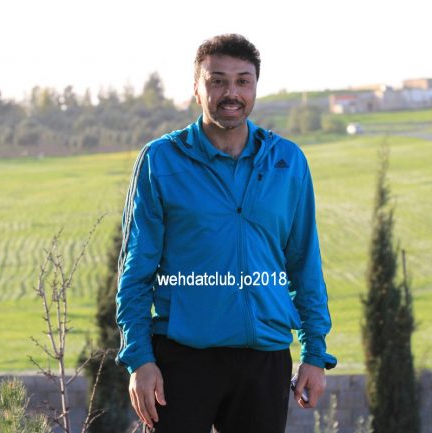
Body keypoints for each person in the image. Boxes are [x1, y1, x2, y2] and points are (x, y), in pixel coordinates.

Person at [115, 34, 336, 433]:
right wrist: (140, 360)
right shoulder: (160, 161)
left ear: (255, 87)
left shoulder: (288, 161)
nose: (231, 93)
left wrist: (315, 354)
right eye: (217, 81)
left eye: (242, 81)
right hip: (182, 359)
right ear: (196, 89)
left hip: (265, 359)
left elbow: (304, 263)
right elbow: (135, 271)